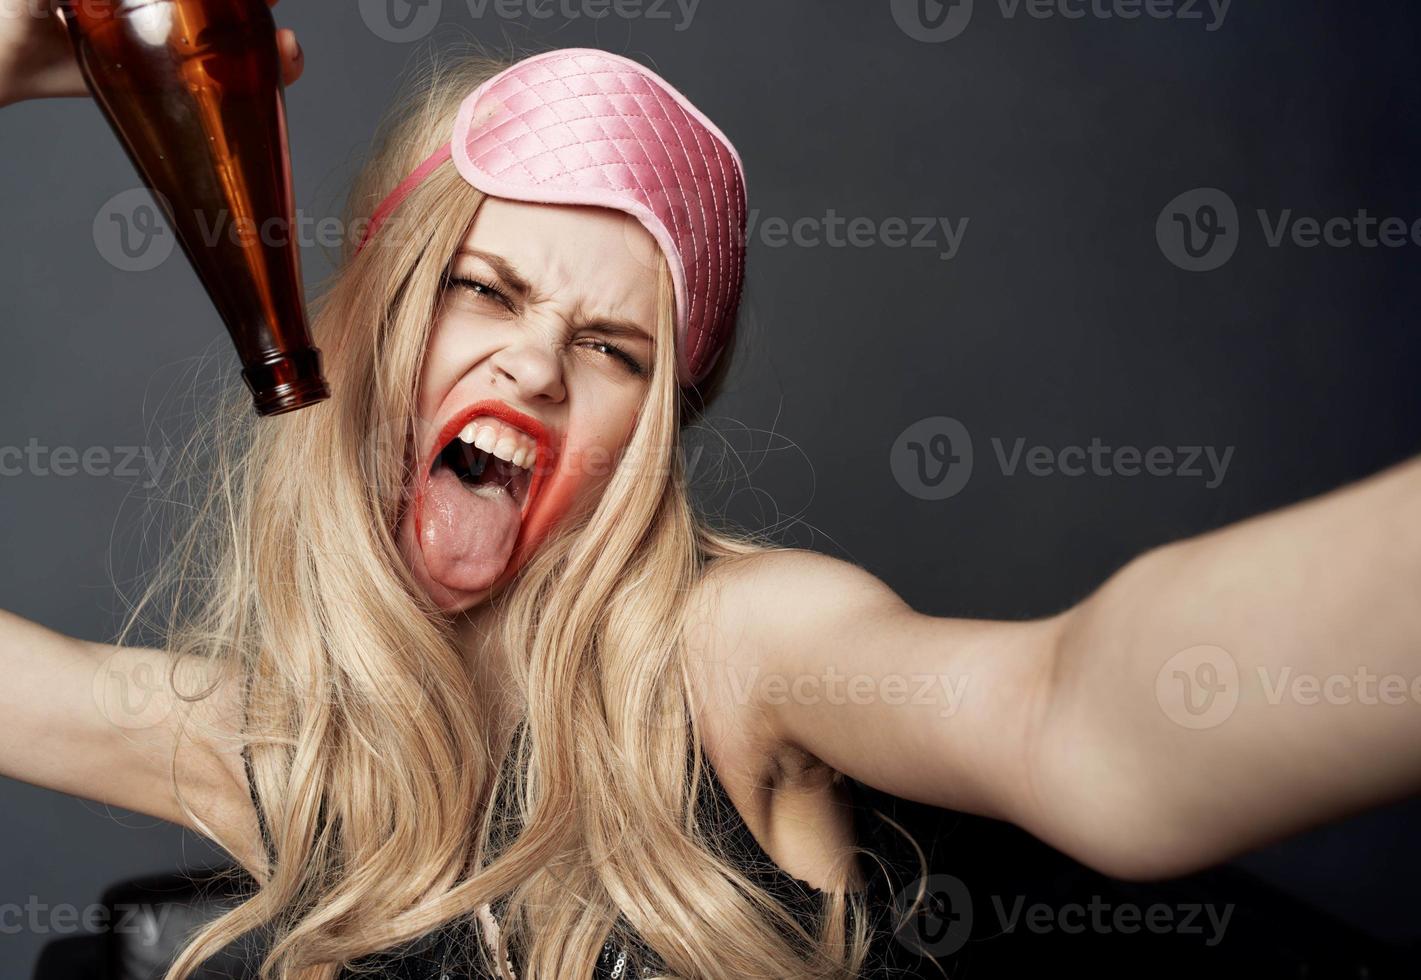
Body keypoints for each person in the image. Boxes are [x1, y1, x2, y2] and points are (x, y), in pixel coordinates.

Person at [3, 6, 1419, 980]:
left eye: (614, 348)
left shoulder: (739, 648)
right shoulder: (283, 746)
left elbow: (1075, 714)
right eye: (482, 291)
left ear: (653, 428)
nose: (540, 363)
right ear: (371, 327)